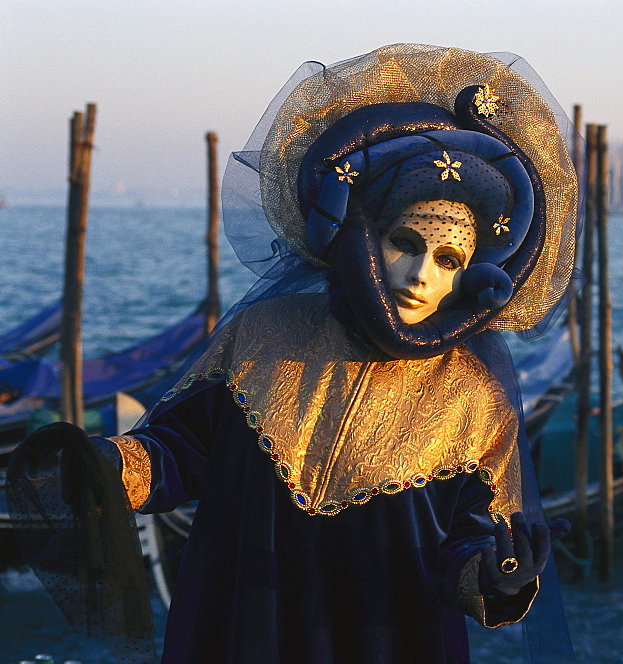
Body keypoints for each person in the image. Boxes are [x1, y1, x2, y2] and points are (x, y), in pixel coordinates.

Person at [9, 44, 579, 663]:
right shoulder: (263, 333)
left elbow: (471, 539)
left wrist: (495, 576)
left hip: (387, 640)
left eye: (448, 260)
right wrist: (105, 466)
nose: (420, 273)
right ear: (364, 235)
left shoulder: (473, 394)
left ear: (472, 276)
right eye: (404, 242)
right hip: (242, 630)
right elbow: (182, 450)